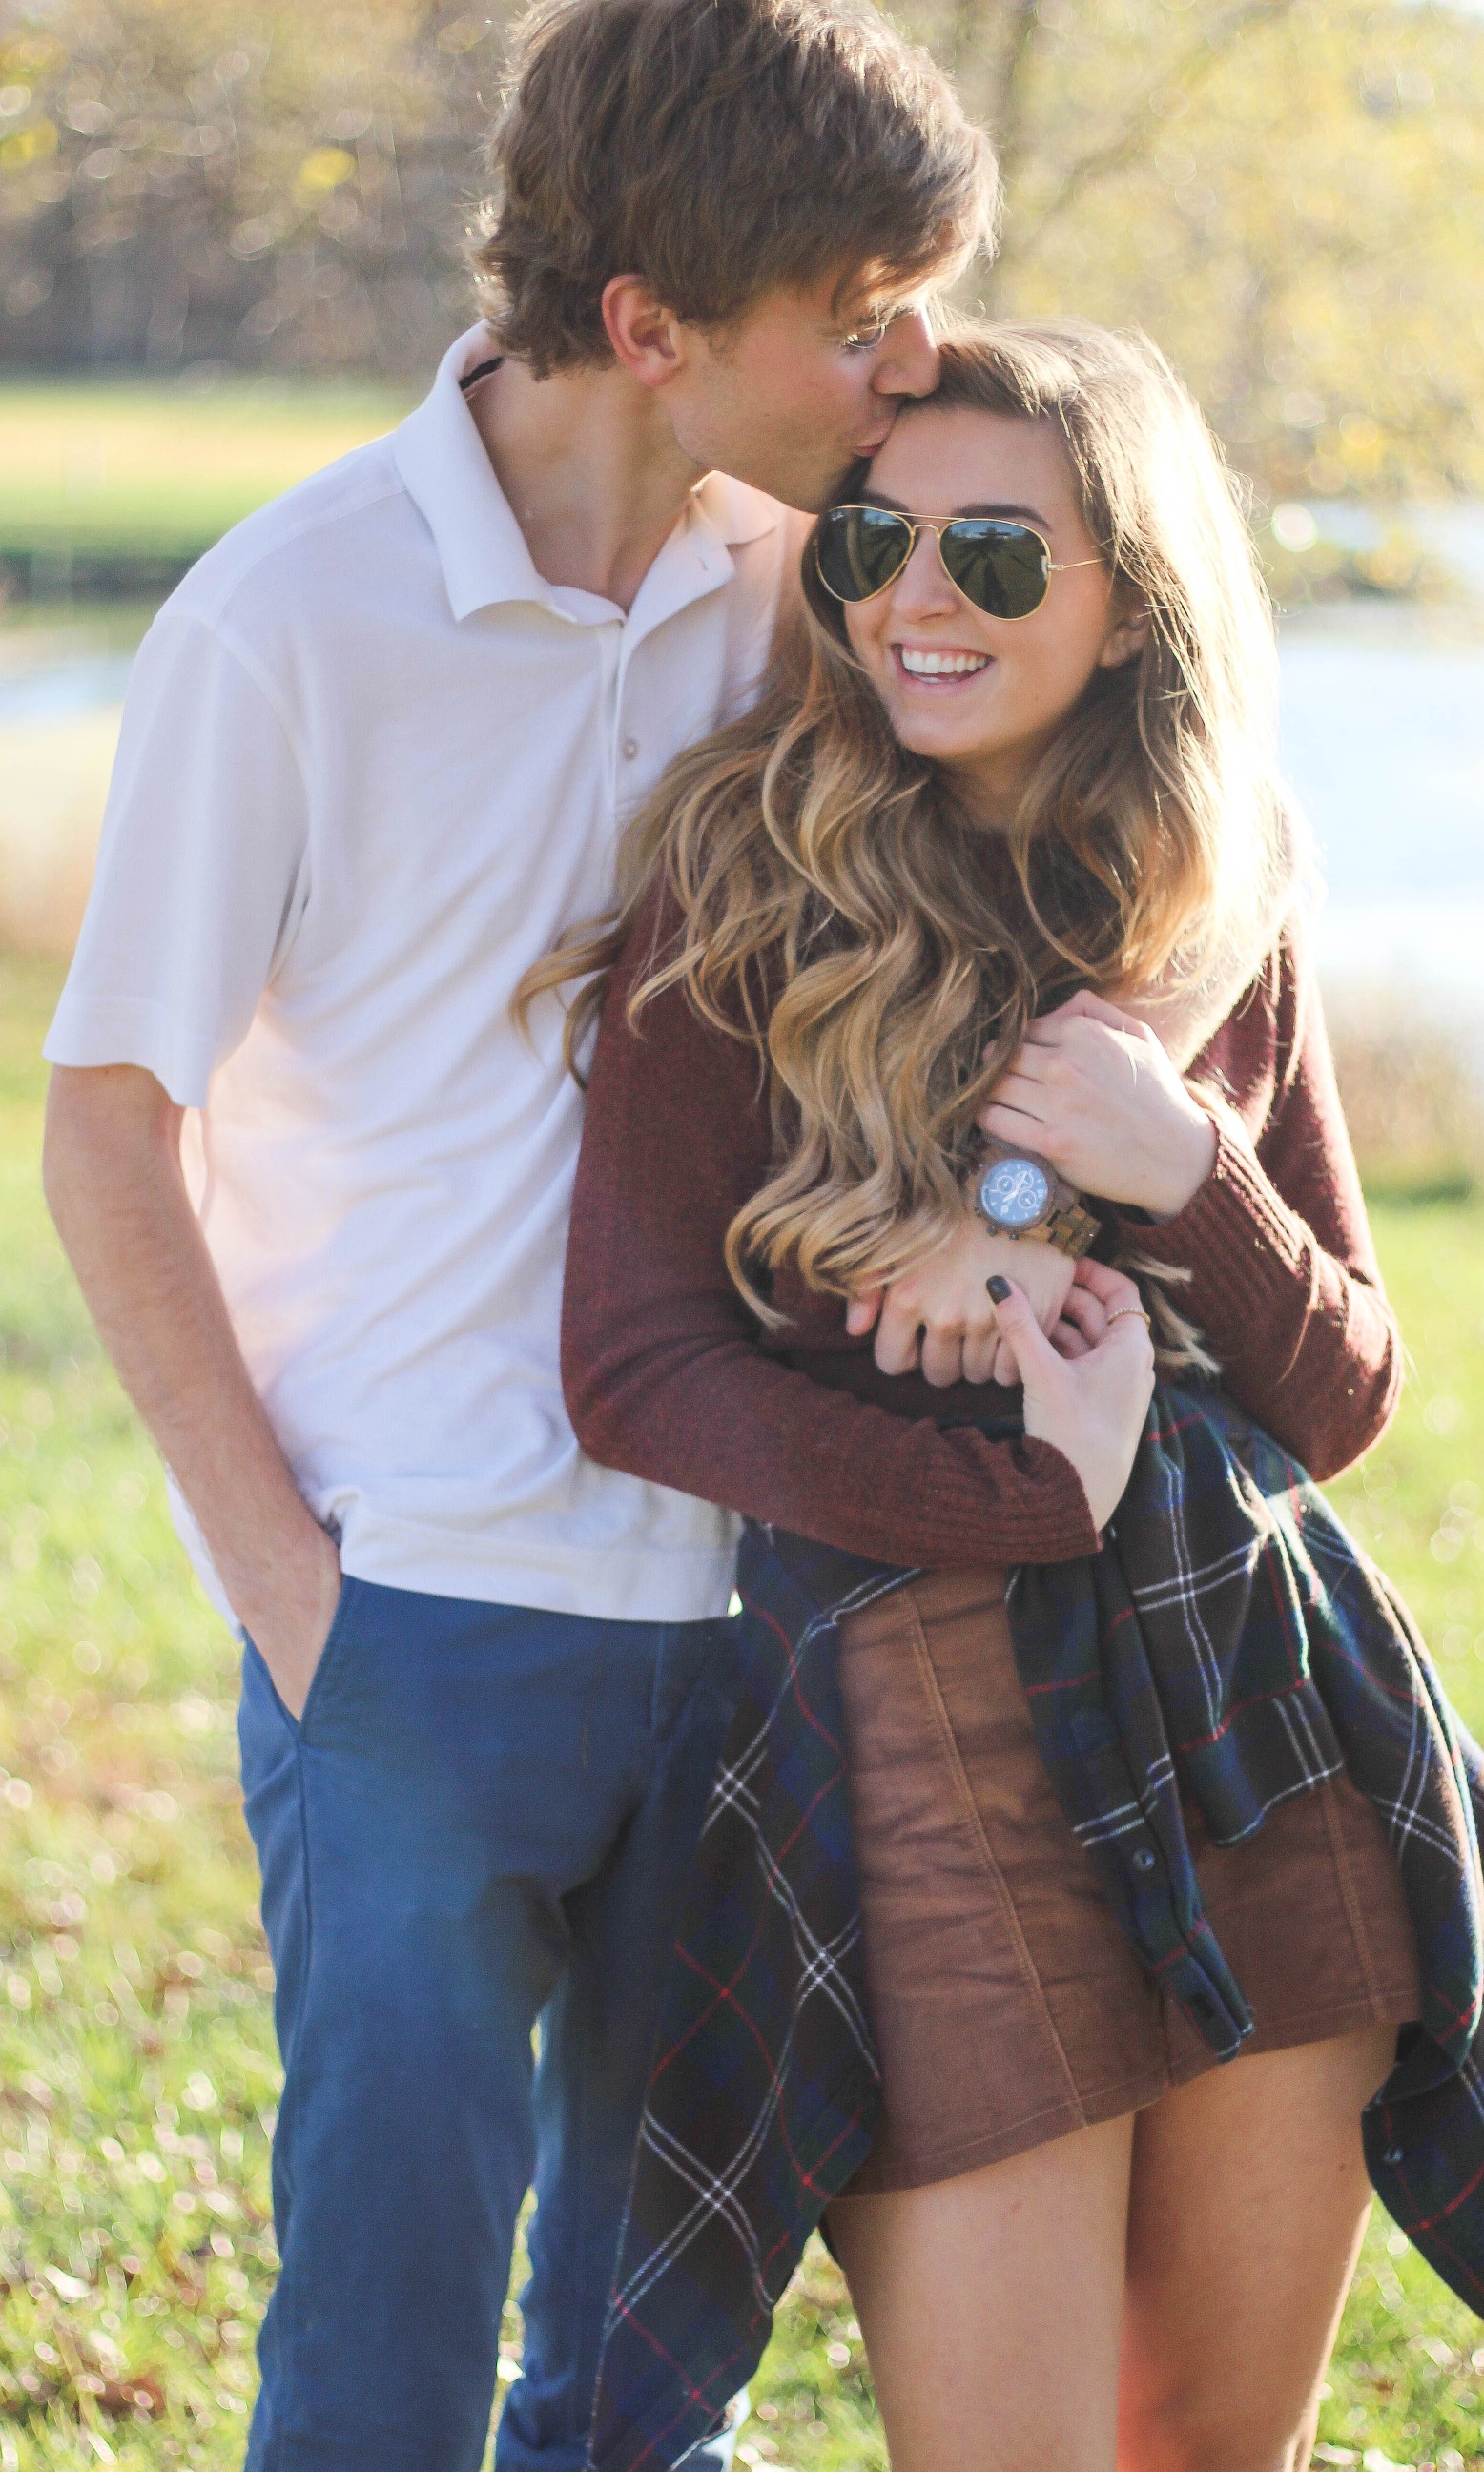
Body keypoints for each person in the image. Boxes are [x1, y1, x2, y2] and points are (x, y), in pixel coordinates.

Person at [38, 4, 1002, 2465]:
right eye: (864, 309)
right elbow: (108, 1127)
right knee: (378, 2378)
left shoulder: (810, 593)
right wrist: (299, 1601)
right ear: (653, 330)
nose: (921, 361)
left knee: (647, 2384)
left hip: (744, 1607)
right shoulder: (289, 621)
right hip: (415, 1621)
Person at [538, 321, 1436, 2468]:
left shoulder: (1228, 893)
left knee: (1220, 2447)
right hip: (919, 1716)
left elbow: (1342, 1390)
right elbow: (634, 1362)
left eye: (998, 557)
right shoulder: (743, 881)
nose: (913, 601)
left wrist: (1182, 1171)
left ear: (1133, 597)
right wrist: (999, 1427)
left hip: (1245, 1702)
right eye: (873, 540)